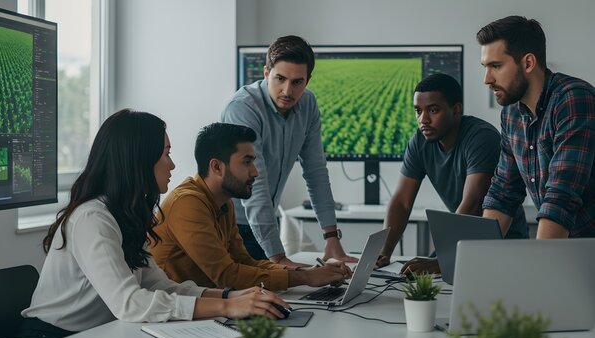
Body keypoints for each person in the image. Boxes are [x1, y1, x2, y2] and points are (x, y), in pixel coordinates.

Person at [18, 110, 289, 338]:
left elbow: (159, 286)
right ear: (139, 159)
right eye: (166, 154)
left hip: (97, 335)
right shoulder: (92, 218)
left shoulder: (126, 215)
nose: (172, 164)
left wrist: (231, 295)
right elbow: (130, 303)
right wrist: (227, 307)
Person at [150, 123, 352, 291]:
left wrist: (309, 271)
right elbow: (227, 276)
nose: (255, 172)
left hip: (205, 306)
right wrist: (305, 279)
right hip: (176, 316)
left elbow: (244, 262)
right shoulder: (187, 203)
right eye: (247, 162)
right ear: (217, 167)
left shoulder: (224, 201)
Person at [222, 35, 357, 267]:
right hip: (229, 225)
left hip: (266, 219)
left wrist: (331, 236)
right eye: (280, 78)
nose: (287, 90)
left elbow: (315, 171)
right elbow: (257, 186)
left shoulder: (308, 105)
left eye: (297, 82)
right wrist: (280, 260)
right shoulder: (243, 108)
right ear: (266, 73)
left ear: (308, 80)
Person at [376, 73, 528, 274]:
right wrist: (382, 254)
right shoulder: (420, 142)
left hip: (503, 245)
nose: (423, 119)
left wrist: (442, 261)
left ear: (456, 110)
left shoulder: (482, 138)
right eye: (418, 111)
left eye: (433, 110)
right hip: (461, 240)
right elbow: (401, 202)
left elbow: (472, 204)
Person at [478, 16, 595, 238]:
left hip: (587, 251)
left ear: (528, 63)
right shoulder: (511, 114)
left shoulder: (573, 99)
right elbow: (503, 193)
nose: (487, 79)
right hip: (564, 250)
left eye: (496, 66)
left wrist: (541, 267)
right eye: (485, 67)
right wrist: (474, 258)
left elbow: (561, 198)